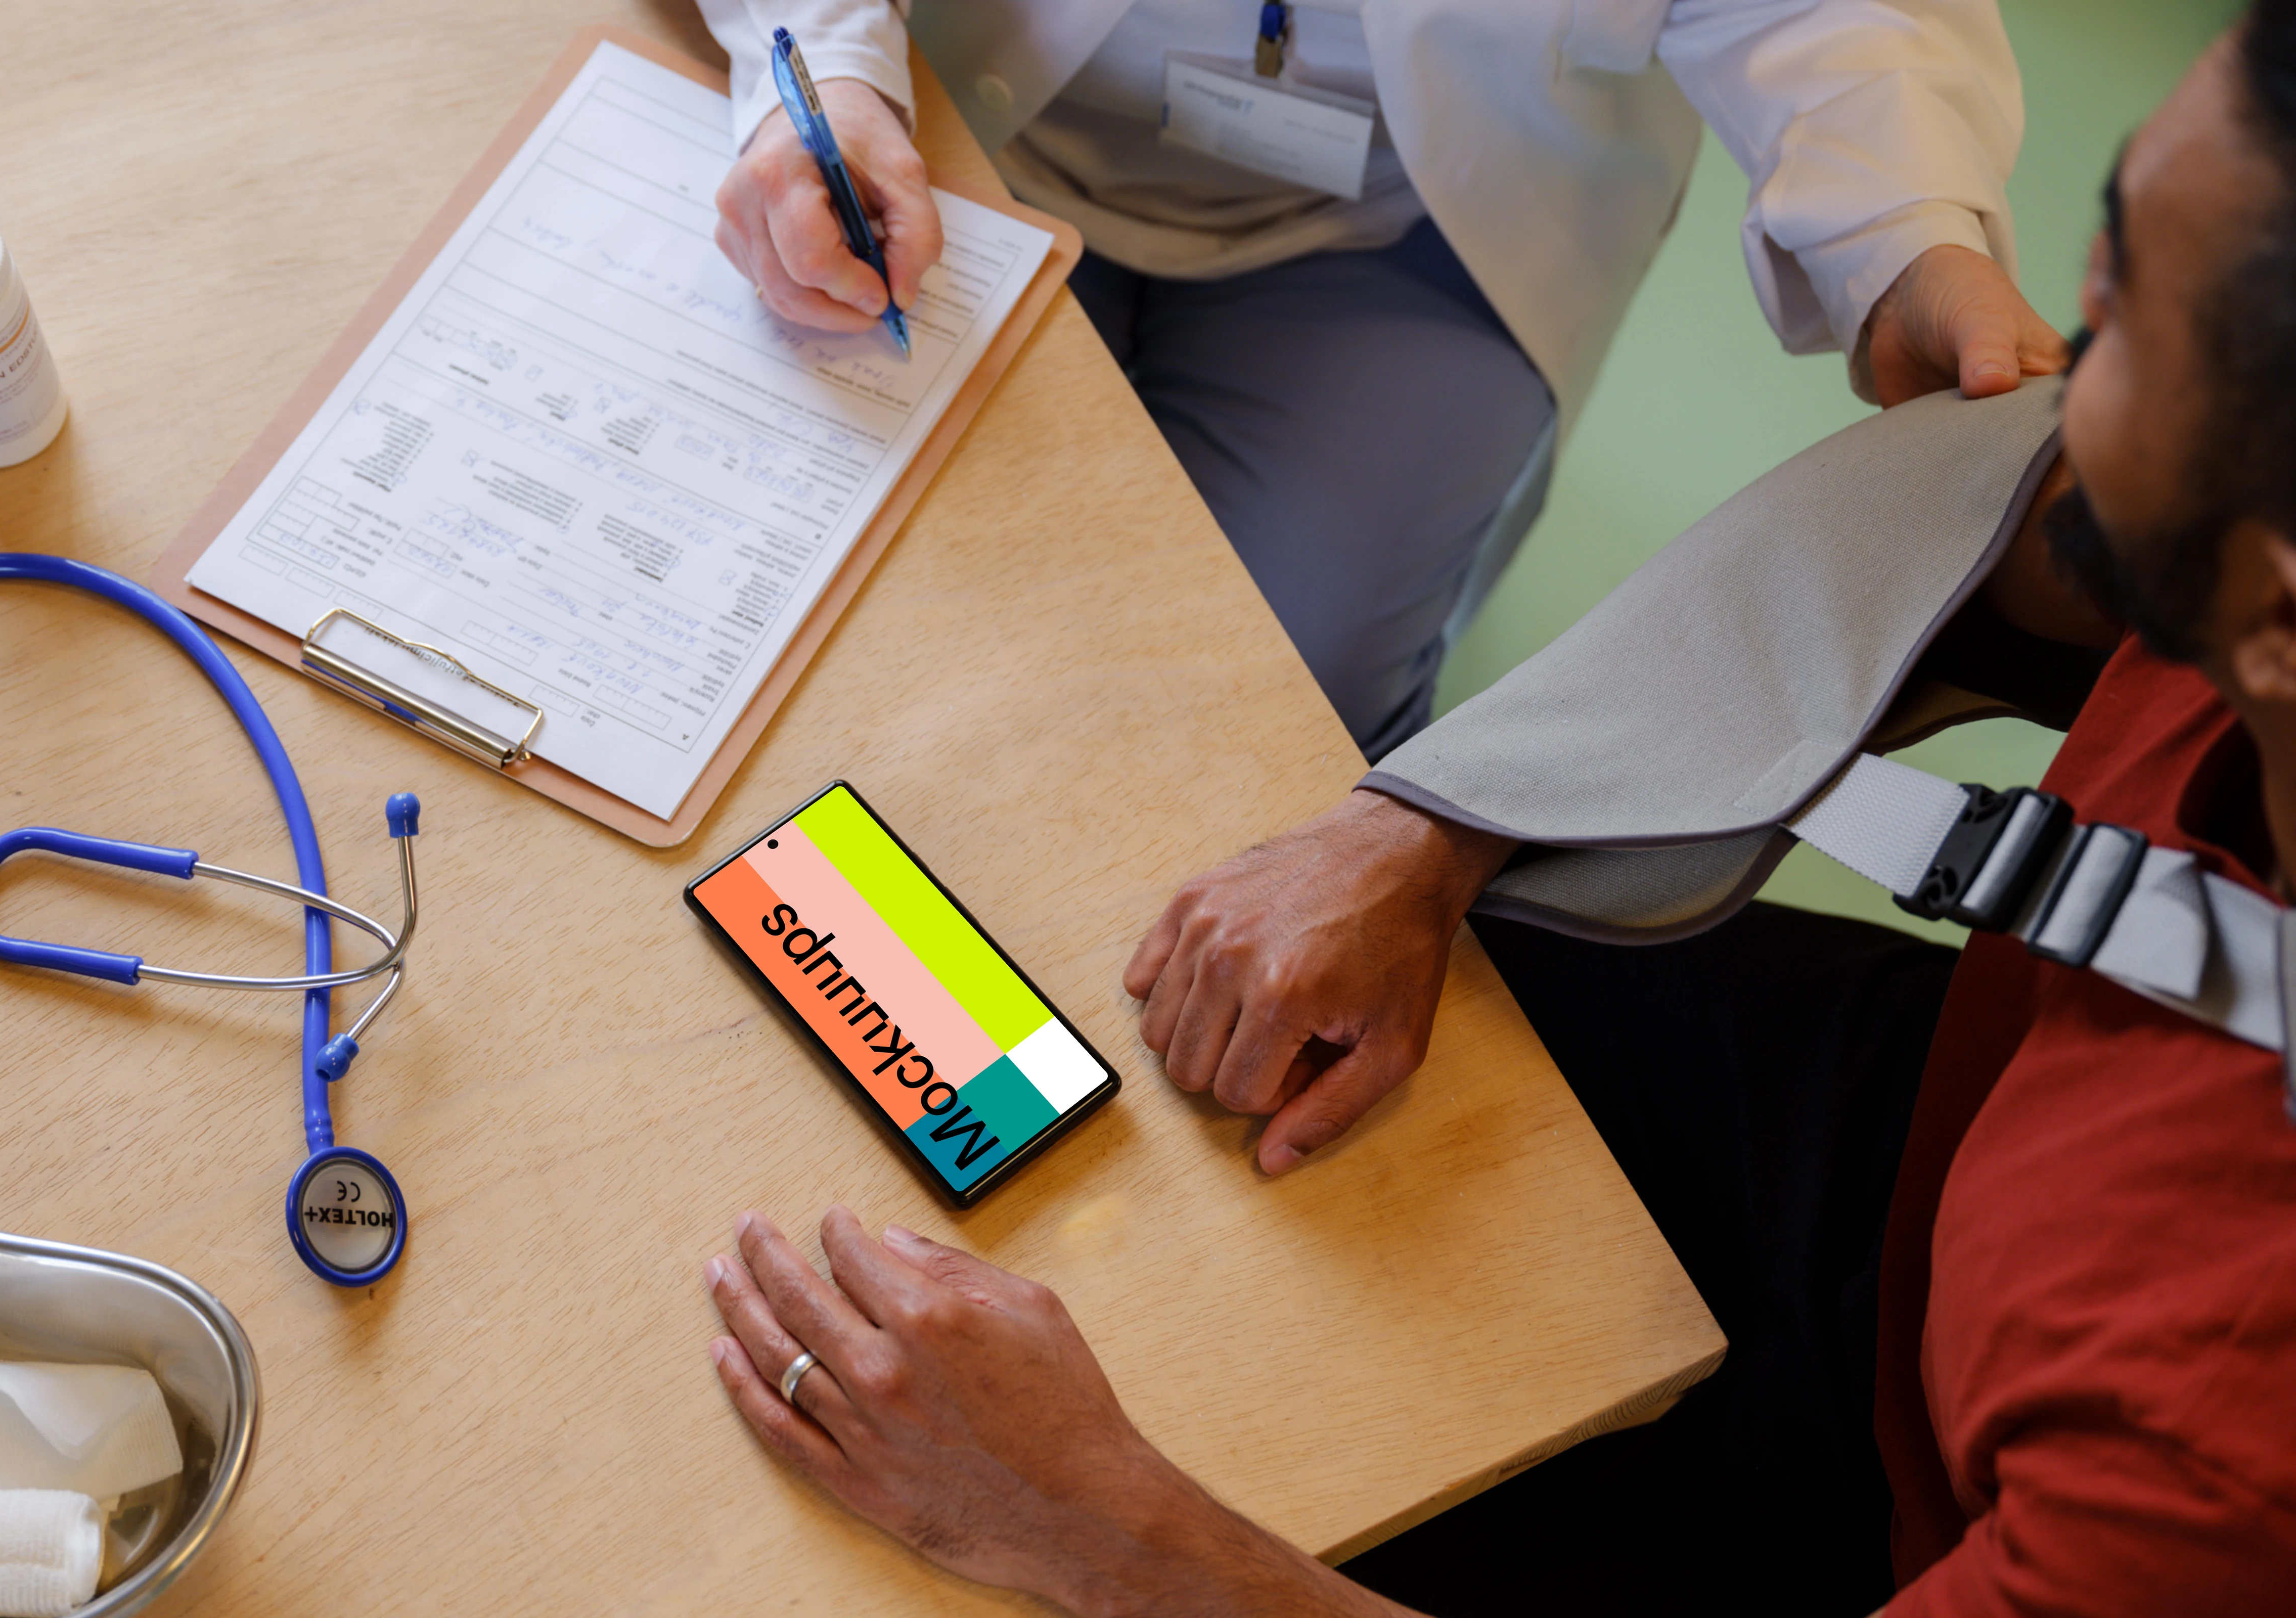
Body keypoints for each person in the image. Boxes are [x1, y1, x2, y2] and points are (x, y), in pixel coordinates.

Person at [697, 6, 2296, 1612]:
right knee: (1227, 994)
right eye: (2111, 236)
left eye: (2134, 315)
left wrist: (1103, 1525)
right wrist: (1430, 828)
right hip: (1946, 1102)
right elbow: (1967, 518)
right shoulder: (2241, 543)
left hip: (1894, 1496)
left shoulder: (2213, 1458)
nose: (2068, 344)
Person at [693, 0, 2067, 760]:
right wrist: (820, 66)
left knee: (1278, 728)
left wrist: (1911, 241)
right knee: (817, 583)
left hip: (1421, 214)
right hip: (955, 113)